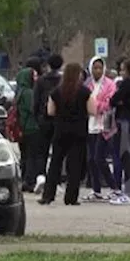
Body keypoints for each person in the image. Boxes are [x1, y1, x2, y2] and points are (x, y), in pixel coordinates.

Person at [41, 62, 90, 205]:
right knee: (74, 165)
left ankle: (48, 195)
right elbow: (93, 110)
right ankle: (71, 198)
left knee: (55, 163)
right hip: (78, 132)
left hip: (60, 130)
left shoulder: (56, 92)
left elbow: (50, 112)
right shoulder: (84, 92)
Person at [109, 59, 130, 203]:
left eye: (123, 70)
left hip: (124, 122)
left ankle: (123, 187)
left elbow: (113, 100)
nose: (121, 73)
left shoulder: (127, 83)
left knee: (123, 154)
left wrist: (118, 101)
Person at [84, 57, 117, 201]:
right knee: (91, 159)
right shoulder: (87, 85)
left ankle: (114, 187)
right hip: (90, 125)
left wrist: (94, 105)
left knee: (99, 158)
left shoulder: (110, 85)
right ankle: (96, 190)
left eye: (100, 68)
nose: (97, 71)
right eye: (95, 68)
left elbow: (109, 103)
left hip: (104, 125)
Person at [31, 54, 64, 192]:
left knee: (41, 151)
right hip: (60, 120)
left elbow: (35, 102)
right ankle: (55, 180)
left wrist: (38, 116)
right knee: (58, 151)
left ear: (48, 65)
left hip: (44, 119)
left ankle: (41, 177)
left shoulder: (41, 81)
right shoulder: (63, 81)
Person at [14, 62, 41, 193]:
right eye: (34, 76)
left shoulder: (19, 92)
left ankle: (24, 178)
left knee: (24, 155)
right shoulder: (29, 93)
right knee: (32, 156)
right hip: (32, 127)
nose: (36, 78)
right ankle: (30, 180)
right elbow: (34, 109)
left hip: (22, 128)